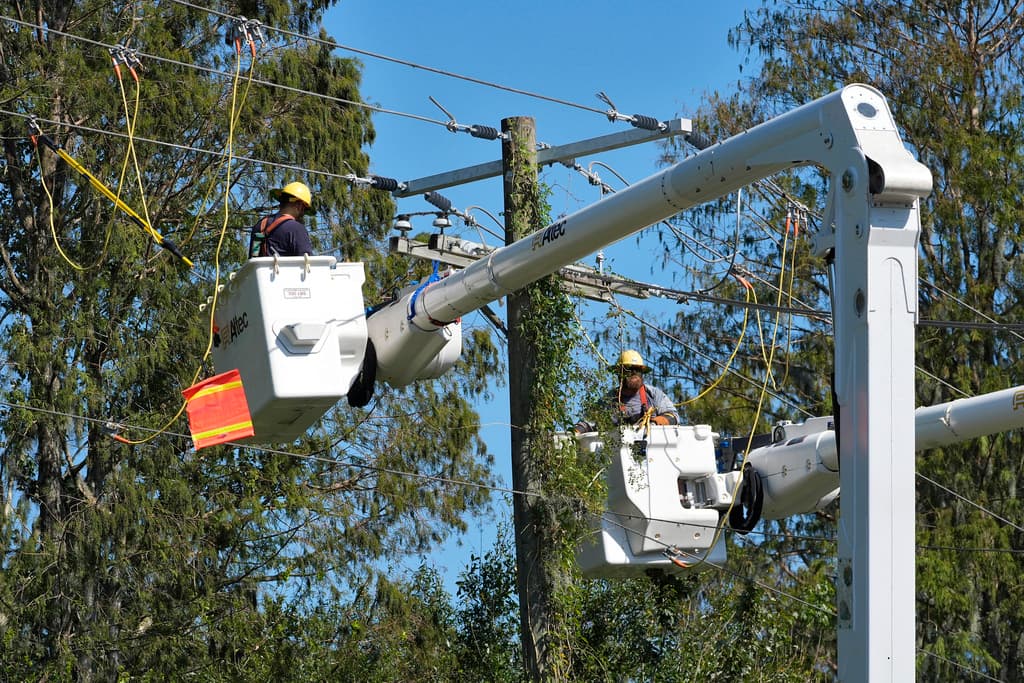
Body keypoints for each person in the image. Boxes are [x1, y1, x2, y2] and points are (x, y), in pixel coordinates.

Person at [575, 349, 679, 433]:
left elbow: (673, 416)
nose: (633, 372)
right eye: (628, 369)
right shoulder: (608, 401)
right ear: (619, 374)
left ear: (642, 373)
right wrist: (573, 435)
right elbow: (586, 423)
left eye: (637, 370)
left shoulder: (653, 394)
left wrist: (655, 423)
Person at [248, 181, 314, 257]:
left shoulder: (260, 225)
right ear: (299, 205)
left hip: (260, 269)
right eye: (305, 209)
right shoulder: (297, 229)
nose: (303, 214)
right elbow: (307, 263)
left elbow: (253, 260)